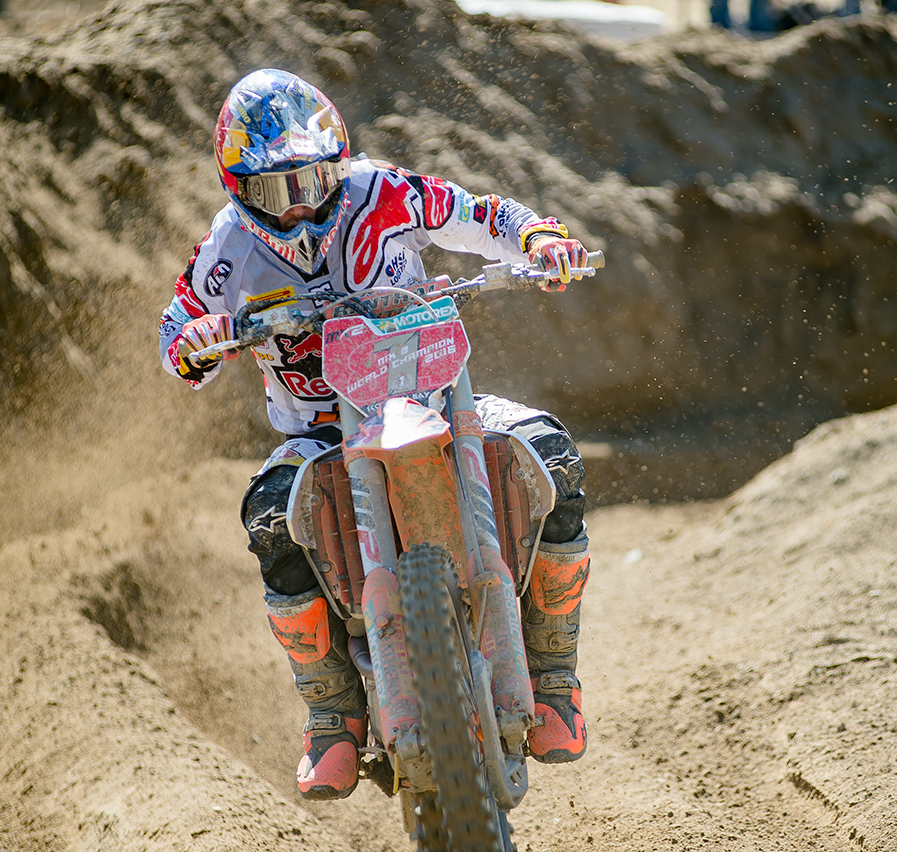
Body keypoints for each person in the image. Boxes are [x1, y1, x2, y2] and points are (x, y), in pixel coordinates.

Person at [157, 69, 593, 801]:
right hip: (321, 432)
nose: (300, 206)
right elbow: (178, 335)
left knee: (551, 453)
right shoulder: (228, 248)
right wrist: (199, 339)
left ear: (340, 164)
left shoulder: (382, 192)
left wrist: (538, 237)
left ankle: (553, 679)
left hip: (432, 401)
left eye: (315, 180)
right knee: (269, 516)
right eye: (276, 192)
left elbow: (481, 214)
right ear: (239, 189)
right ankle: (332, 716)